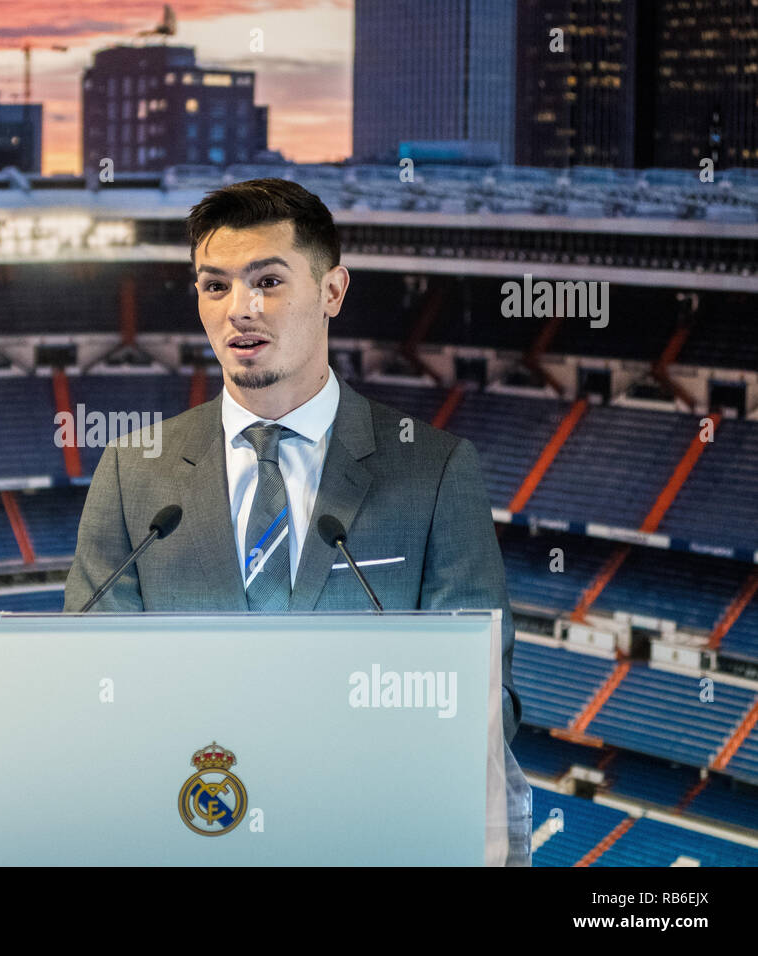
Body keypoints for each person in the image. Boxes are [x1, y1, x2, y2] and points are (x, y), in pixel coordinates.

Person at [62, 177, 532, 865]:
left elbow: (496, 704)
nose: (238, 312)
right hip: (188, 835)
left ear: (333, 291)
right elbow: (83, 680)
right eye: (214, 286)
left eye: (269, 281)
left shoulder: (433, 471)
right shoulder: (135, 470)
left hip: (362, 839)